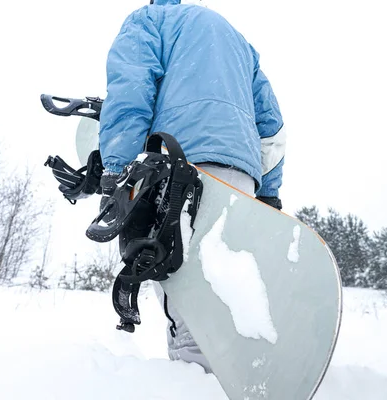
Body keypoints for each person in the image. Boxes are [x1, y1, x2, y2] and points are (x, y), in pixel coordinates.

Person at [98, 0, 285, 373]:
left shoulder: (149, 20)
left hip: (180, 167)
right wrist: (268, 193)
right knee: (225, 288)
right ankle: (238, 371)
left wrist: (118, 173)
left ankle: (198, 382)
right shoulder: (234, 39)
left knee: (184, 290)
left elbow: (129, 95)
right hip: (242, 174)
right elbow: (272, 124)